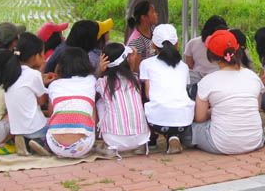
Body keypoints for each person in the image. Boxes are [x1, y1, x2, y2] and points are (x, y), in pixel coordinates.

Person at [190, 29, 265, 154]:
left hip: (221, 144)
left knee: (191, 129)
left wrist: (212, 111)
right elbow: (257, 108)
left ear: (211, 55)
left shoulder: (207, 81)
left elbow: (200, 118)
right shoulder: (253, 77)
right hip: (254, 140)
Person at [139, 24, 194, 154]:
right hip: (184, 121)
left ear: (153, 45)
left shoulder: (146, 64)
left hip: (156, 121)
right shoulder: (184, 66)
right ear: (177, 44)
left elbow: (147, 94)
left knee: (142, 93)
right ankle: (173, 137)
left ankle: (149, 138)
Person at [46, 47, 104, 159]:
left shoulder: (54, 85)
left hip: (55, 145)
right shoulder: (91, 81)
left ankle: (46, 145)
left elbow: (50, 113)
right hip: (83, 146)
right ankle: (92, 135)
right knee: (91, 106)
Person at [4, 33, 57, 156]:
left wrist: (40, 81)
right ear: (35, 56)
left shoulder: (10, 71)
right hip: (36, 127)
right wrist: (41, 73)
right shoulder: (34, 74)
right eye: (42, 54)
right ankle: (41, 142)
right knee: (57, 131)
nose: (44, 58)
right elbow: (42, 101)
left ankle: (25, 140)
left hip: (16, 128)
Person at [95, 43, 150, 156]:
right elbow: (131, 70)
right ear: (127, 60)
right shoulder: (135, 80)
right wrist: (133, 59)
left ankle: (108, 146)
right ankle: (139, 147)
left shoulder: (102, 82)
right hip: (142, 138)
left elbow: (93, 91)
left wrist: (99, 70)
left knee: (100, 102)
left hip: (114, 140)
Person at [184, 15, 228, 87]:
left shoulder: (192, 43)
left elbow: (189, 66)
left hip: (195, 80)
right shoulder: (225, 45)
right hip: (217, 79)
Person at [125, 0, 158, 71]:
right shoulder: (136, 41)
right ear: (144, 17)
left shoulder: (154, 30)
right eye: (153, 12)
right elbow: (136, 71)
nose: (156, 14)